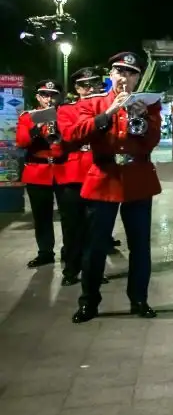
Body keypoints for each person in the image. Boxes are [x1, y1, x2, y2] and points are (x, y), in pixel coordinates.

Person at [65, 52, 162, 323]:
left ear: (138, 78)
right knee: (95, 246)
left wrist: (144, 119)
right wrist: (109, 112)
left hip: (137, 178)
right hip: (104, 177)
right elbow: (75, 135)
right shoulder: (93, 103)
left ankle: (139, 298)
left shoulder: (148, 104)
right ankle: (89, 301)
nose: (124, 77)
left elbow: (151, 142)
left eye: (131, 73)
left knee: (140, 246)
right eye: (119, 71)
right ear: (111, 75)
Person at [55, 68, 107, 285]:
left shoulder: (106, 106)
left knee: (97, 228)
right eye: (84, 85)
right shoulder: (67, 110)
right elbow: (68, 135)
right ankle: (71, 270)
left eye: (94, 83)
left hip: (100, 171)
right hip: (74, 175)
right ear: (76, 88)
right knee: (73, 227)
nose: (89, 88)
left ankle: (93, 271)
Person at [17, 79, 70, 270]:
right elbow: (22, 142)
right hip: (38, 172)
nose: (49, 98)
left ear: (60, 96)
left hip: (63, 169)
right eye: (44, 95)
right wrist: (37, 126)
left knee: (68, 215)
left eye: (53, 94)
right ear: (38, 96)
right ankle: (45, 252)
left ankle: (69, 251)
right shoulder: (27, 116)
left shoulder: (66, 115)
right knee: (41, 216)